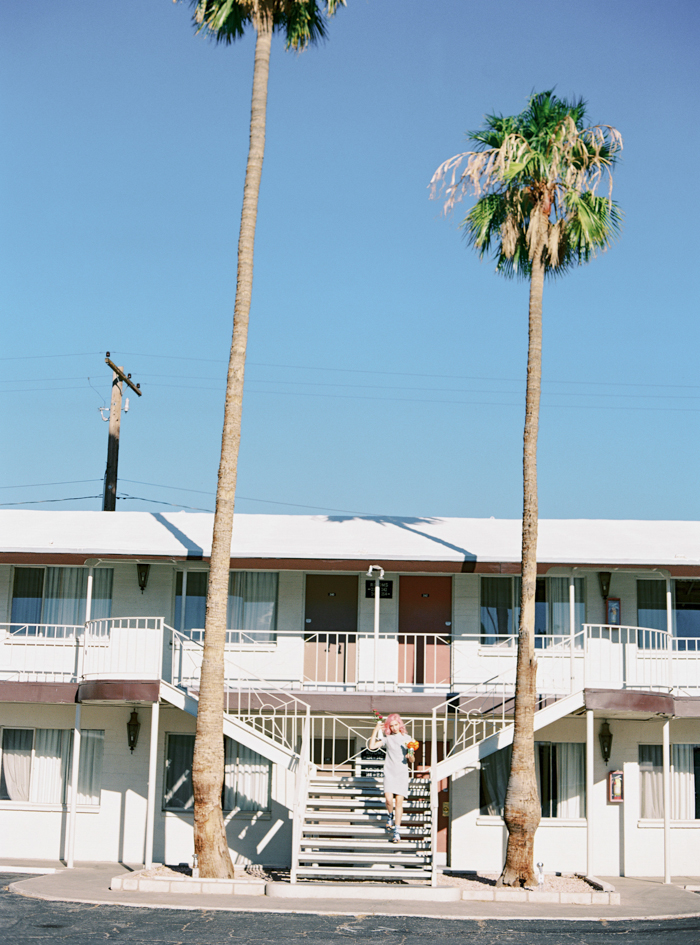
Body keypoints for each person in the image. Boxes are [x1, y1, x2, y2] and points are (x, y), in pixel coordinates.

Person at [368, 713, 414, 843]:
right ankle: (390, 815)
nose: (394, 727)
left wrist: (410, 756)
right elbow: (371, 747)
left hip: (402, 772)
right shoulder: (387, 739)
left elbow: (412, 758)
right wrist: (376, 730)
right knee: (389, 800)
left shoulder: (408, 738)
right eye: (391, 725)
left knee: (399, 802)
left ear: (400, 724)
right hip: (389, 771)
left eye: (396, 724)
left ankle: (397, 832)